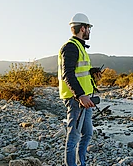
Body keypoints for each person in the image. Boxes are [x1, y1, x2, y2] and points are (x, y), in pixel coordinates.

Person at [58, 13, 101, 166]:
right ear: (83, 28)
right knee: (73, 138)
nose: (89, 31)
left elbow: (78, 70)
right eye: (88, 28)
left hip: (86, 99)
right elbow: (68, 74)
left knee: (87, 133)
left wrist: (92, 71)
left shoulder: (80, 47)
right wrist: (80, 95)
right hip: (77, 99)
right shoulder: (70, 47)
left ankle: (80, 163)